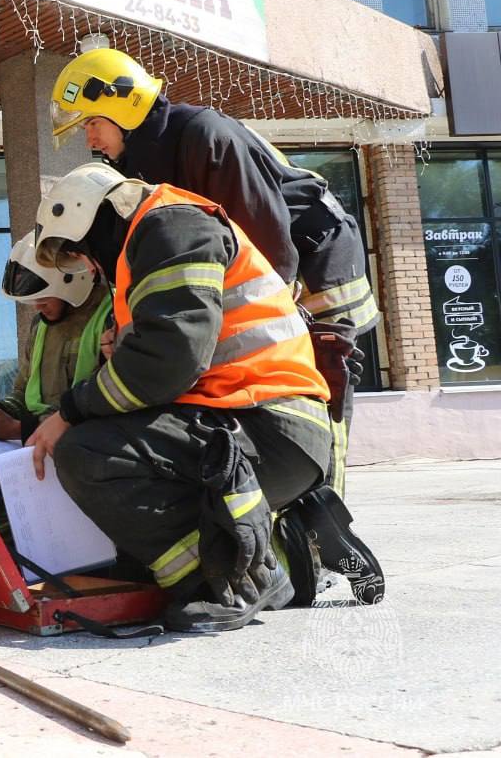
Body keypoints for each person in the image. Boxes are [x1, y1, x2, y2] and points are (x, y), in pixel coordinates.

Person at [27, 163, 383, 633]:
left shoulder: (169, 227)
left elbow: (166, 363)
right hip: (245, 421)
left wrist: (69, 412)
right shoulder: (152, 241)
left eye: (78, 249)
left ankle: (236, 579)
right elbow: (163, 361)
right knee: (126, 532)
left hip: (265, 423)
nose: (86, 263)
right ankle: (277, 551)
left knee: (89, 452)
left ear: (90, 216)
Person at [49, 47, 377, 336]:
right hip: (280, 257)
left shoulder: (205, 136)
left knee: (316, 369)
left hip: (315, 256)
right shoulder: (143, 162)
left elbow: (261, 225)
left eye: (92, 124)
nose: (90, 140)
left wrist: (271, 307)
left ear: (122, 102)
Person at [0, 230, 97, 532]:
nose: (36, 306)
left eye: (43, 296)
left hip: (79, 444)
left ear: (71, 281)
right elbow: (23, 394)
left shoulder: (107, 319)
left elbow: (103, 404)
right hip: (37, 440)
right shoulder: (41, 326)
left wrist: (16, 428)